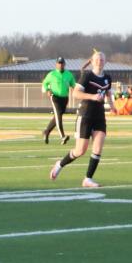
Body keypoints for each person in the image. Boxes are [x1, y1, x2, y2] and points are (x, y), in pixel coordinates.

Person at [50, 50, 113, 188]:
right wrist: (92, 97)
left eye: (102, 59)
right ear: (91, 61)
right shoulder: (87, 75)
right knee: (80, 151)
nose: (99, 61)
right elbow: (76, 93)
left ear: (105, 62)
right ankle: (60, 164)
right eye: (97, 59)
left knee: (98, 147)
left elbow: (108, 92)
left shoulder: (108, 77)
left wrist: (112, 106)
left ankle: (88, 179)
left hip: (99, 116)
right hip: (85, 115)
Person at [41, 57, 76, 144]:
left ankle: (46, 131)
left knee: (57, 116)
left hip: (64, 98)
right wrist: (47, 90)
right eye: (59, 63)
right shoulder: (51, 74)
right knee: (59, 117)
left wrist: (77, 91)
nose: (60, 65)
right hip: (55, 97)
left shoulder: (69, 74)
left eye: (62, 63)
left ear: (64, 64)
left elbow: (73, 85)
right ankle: (62, 136)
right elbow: (44, 84)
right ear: (56, 64)